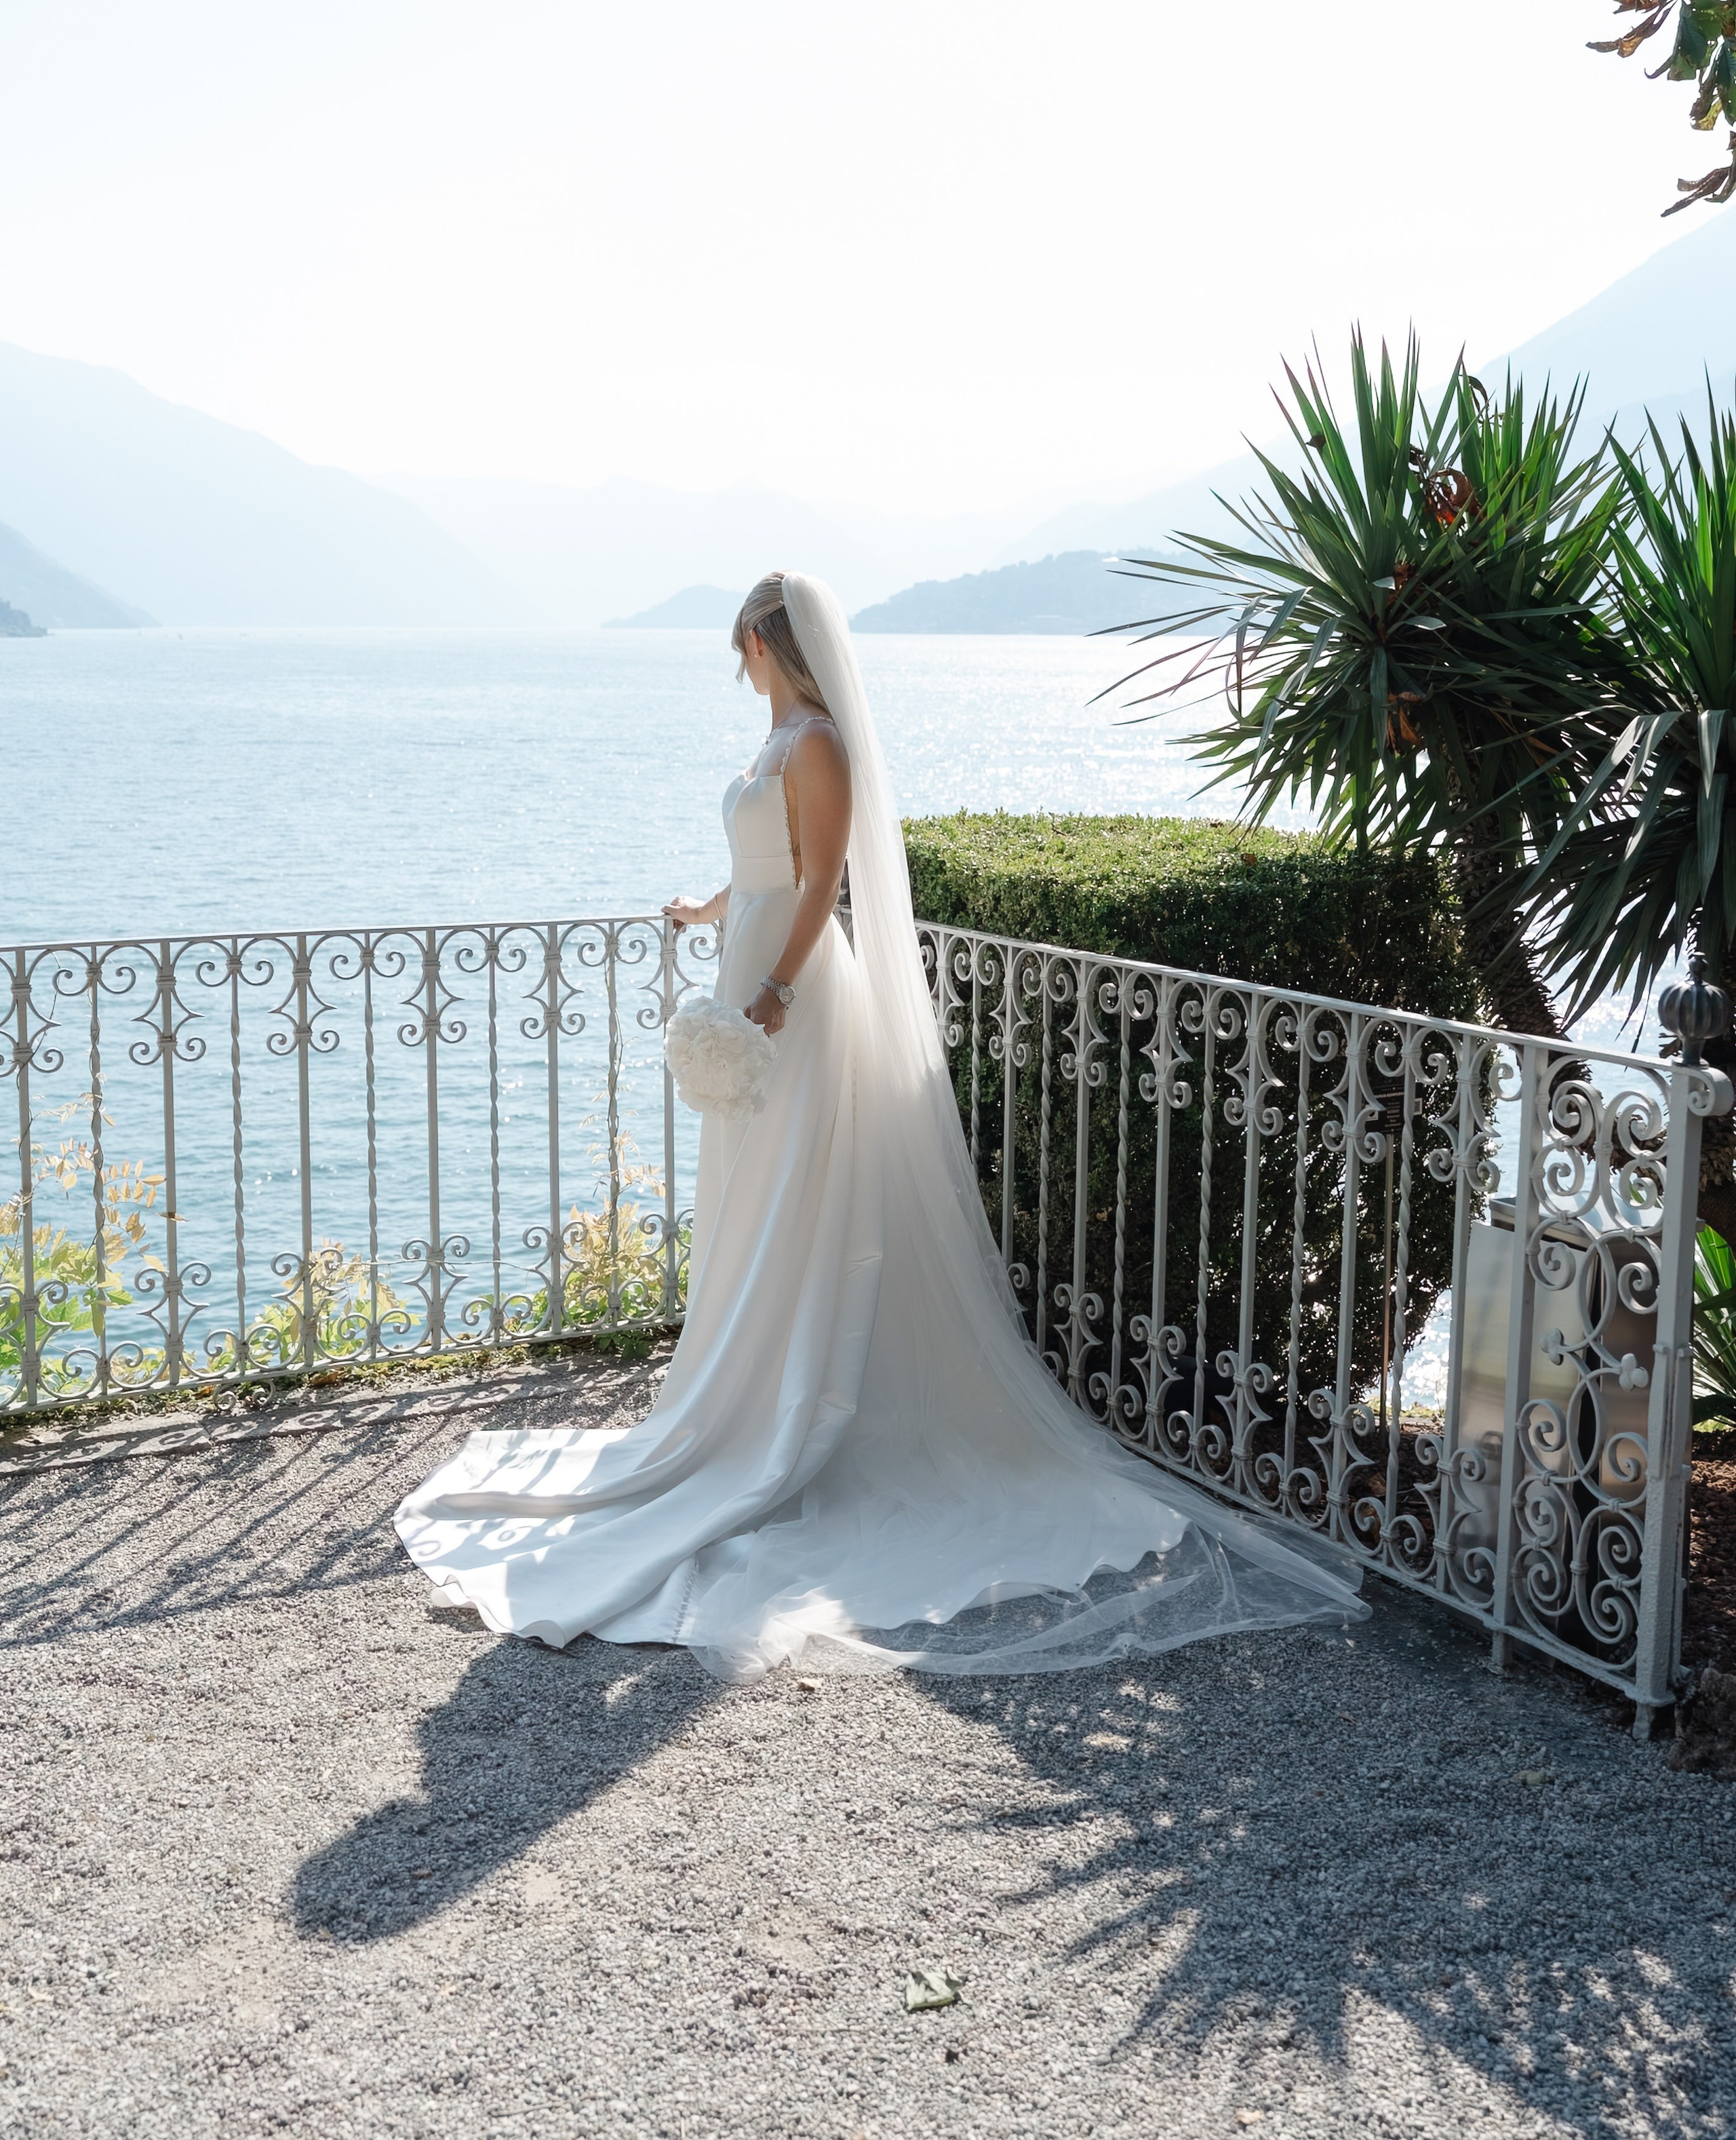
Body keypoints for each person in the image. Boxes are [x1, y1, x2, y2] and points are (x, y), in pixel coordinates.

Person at [395, 572, 1364, 1678]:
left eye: (745, 646)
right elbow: (764, 868)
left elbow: (824, 881)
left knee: (801, 1179)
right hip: (750, 952)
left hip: (792, 985)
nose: (742, 663)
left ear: (768, 642)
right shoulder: (774, 744)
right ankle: (744, 1384)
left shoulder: (816, 742)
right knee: (754, 1184)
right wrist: (712, 915)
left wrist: (776, 990)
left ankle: (798, 1401)